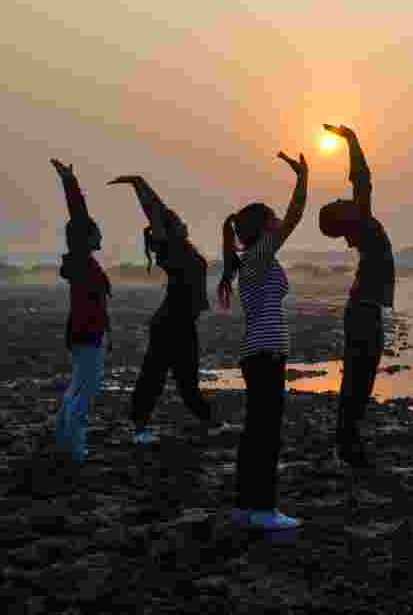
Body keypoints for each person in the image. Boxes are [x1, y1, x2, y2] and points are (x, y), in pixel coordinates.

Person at [218, 151, 308, 531]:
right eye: (272, 221)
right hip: (264, 353)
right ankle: (262, 510)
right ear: (263, 228)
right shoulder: (259, 254)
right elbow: (296, 217)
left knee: (258, 431)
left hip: (260, 352)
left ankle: (246, 506)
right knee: (265, 434)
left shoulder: (255, 258)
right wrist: (303, 179)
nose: (278, 225)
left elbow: (287, 221)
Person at [108, 175, 234, 444]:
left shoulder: (182, 248)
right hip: (170, 325)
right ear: (170, 230)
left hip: (181, 323)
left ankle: (210, 422)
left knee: (185, 382)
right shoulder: (171, 247)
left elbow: (162, 215)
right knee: (153, 378)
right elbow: (157, 212)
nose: (183, 223)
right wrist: (139, 184)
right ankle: (140, 429)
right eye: (178, 222)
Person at [318, 125, 395, 468]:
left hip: (364, 309)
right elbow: (362, 179)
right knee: (358, 382)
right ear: (343, 217)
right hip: (363, 312)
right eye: (339, 203)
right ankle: (347, 446)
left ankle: (347, 443)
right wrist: (351, 140)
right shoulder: (361, 221)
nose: (343, 198)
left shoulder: (360, 225)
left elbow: (361, 184)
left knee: (359, 381)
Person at [51, 158, 112, 462]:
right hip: (87, 333)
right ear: (86, 238)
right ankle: (74, 448)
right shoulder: (81, 261)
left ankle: (65, 439)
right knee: (84, 392)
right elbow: (78, 217)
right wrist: (70, 183)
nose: (101, 234)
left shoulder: (82, 263)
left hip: (83, 332)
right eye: (96, 231)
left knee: (77, 388)